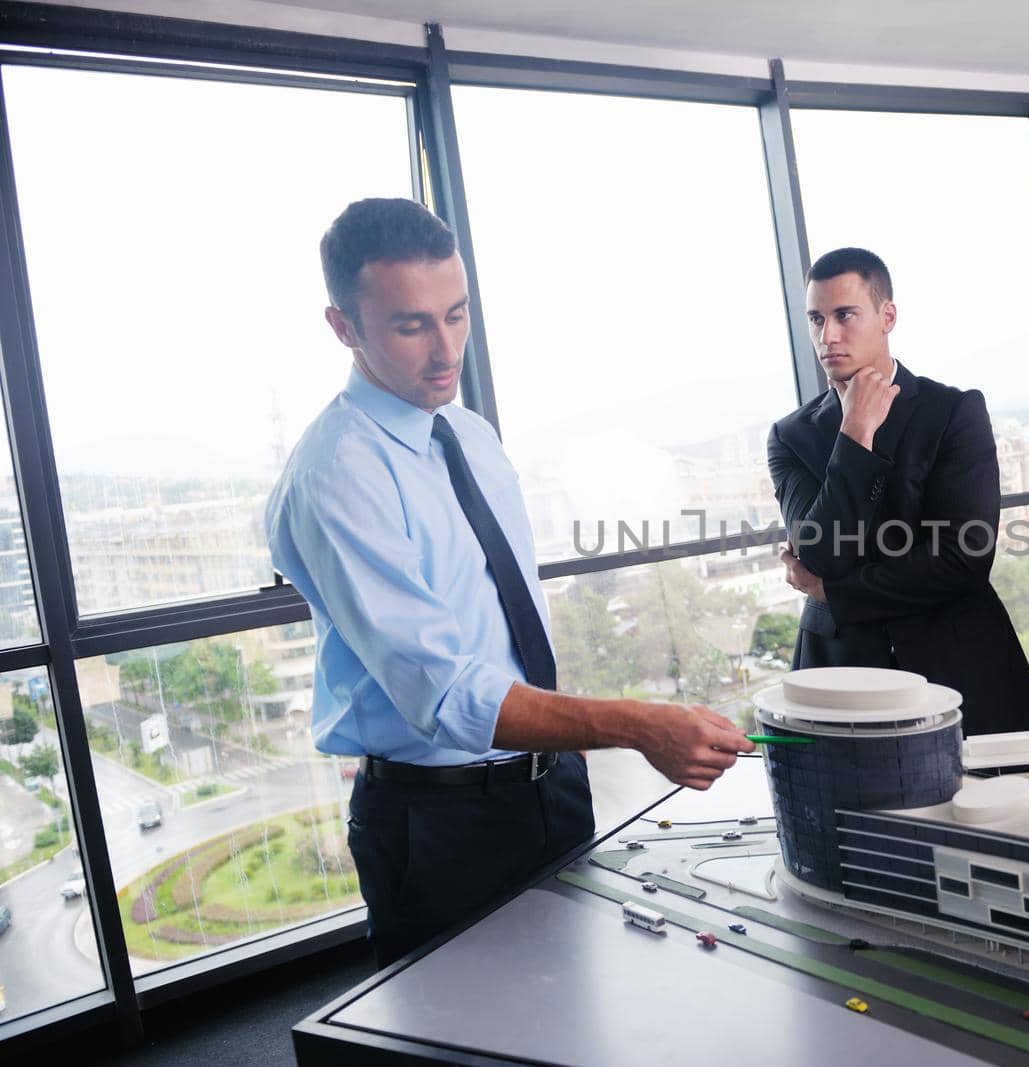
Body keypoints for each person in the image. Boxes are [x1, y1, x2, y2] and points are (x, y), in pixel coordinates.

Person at [266, 198, 753, 965]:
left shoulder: (470, 434)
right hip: (436, 824)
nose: (444, 348)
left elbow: (502, 626)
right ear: (344, 328)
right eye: (410, 324)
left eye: (456, 314)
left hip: (549, 787)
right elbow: (447, 692)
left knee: (574, 1015)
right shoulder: (337, 475)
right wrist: (638, 723)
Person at [767, 247, 1029, 736]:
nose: (827, 336)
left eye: (844, 315)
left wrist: (833, 591)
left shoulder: (953, 413)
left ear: (887, 316)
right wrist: (854, 433)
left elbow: (964, 558)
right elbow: (820, 551)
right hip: (841, 675)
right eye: (816, 318)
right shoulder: (791, 436)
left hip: (961, 667)